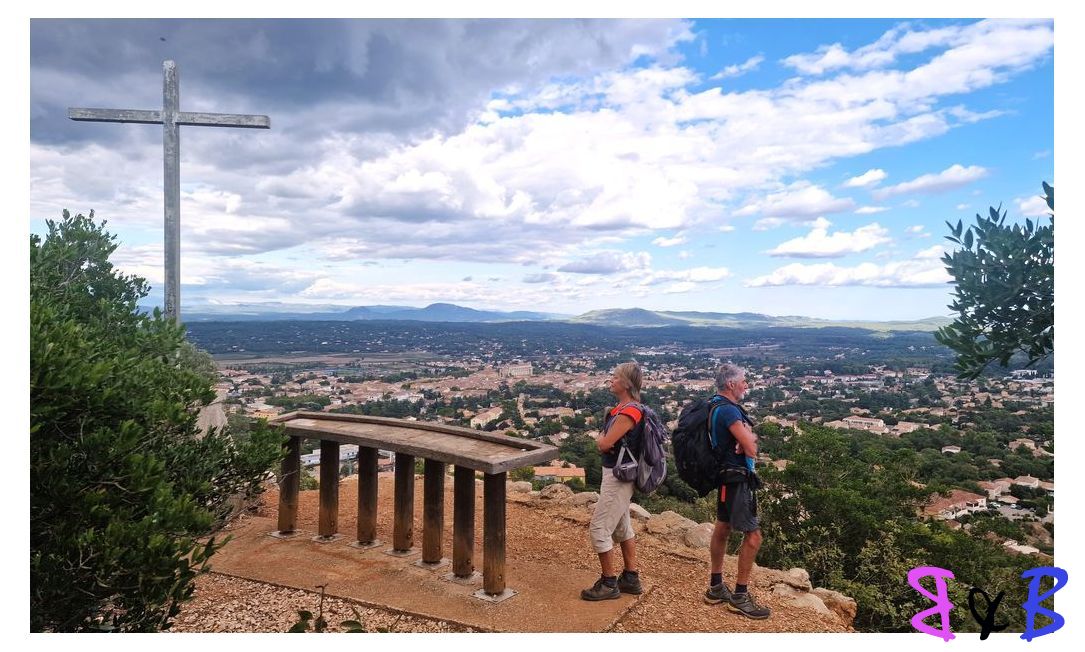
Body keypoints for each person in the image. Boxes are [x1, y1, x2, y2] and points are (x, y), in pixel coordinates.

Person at [703, 363, 771, 619]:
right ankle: (740, 595)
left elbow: (745, 441)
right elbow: (751, 448)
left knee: (722, 528)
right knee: (753, 537)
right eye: (743, 381)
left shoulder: (714, 404)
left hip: (724, 478)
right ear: (731, 384)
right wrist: (749, 441)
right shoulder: (730, 411)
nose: (746, 385)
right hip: (738, 478)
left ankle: (716, 586)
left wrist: (747, 439)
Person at [580, 361, 644, 601]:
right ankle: (630, 577)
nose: (611, 380)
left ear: (626, 384)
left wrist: (600, 437)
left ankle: (609, 583)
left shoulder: (629, 411)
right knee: (622, 527)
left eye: (615, 377)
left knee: (598, 529)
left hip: (619, 477)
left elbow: (604, 444)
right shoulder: (622, 408)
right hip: (617, 475)